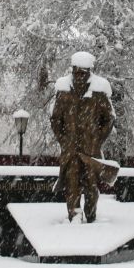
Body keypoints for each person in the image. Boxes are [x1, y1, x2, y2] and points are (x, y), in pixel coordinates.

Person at [50, 51, 116, 223]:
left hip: (91, 151)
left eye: (83, 72)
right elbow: (55, 119)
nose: (79, 76)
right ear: (72, 70)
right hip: (71, 150)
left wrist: (97, 139)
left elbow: (109, 118)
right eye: (77, 72)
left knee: (91, 187)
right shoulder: (63, 89)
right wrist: (64, 140)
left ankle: (91, 216)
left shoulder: (99, 90)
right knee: (72, 187)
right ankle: (74, 217)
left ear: (89, 72)